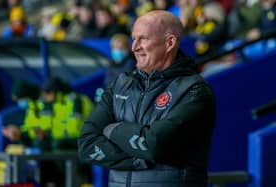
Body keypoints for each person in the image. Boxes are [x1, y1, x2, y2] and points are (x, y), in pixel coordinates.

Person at [78, 10, 216, 187]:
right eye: (133, 39)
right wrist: (140, 159)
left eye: (143, 39)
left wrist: (113, 129)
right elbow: (86, 145)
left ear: (170, 43)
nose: (134, 47)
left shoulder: (194, 90)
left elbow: (153, 144)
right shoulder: (120, 84)